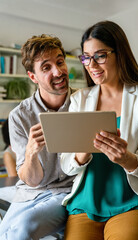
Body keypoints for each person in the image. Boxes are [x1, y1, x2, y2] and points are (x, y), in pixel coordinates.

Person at [60, 21, 138, 240]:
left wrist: (126, 159)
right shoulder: (79, 99)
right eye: (86, 57)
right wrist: (81, 154)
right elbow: (66, 165)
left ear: (120, 53)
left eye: (100, 55)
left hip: (133, 201)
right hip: (86, 202)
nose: (91, 64)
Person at [0, 34, 76, 240]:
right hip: (31, 193)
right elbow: (31, 181)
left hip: (69, 193)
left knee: (22, 230)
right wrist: (31, 152)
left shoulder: (84, 103)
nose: (58, 71)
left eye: (60, 62)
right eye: (46, 67)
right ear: (32, 77)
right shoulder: (19, 116)